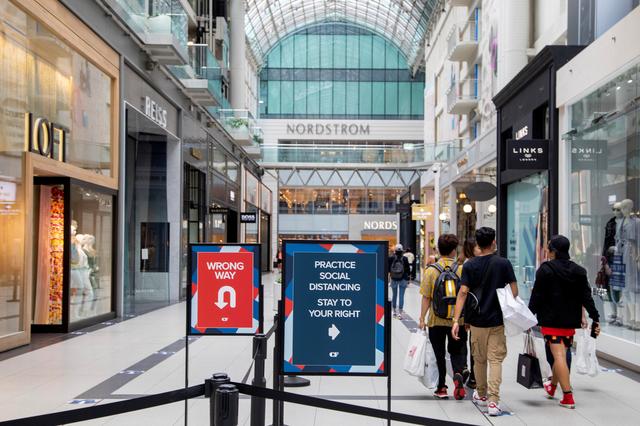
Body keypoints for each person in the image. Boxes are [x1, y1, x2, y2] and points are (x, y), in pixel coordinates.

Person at [528, 235, 601, 409]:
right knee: (560, 354)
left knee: (558, 356)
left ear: (553, 250)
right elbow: (586, 297)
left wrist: (528, 315)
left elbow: (537, 296)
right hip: (570, 321)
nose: (547, 250)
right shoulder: (579, 270)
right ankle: (552, 387)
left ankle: (568, 396)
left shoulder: (545, 270)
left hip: (551, 320)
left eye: (548, 247)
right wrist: (595, 317)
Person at [451, 227, 517, 417]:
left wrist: (456, 320)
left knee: (479, 359)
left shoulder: (470, 265)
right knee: (495, 359)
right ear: (493, 242)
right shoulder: (503, 263)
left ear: (478, 245)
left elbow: (463, 292)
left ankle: (480, 394)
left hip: (476, 321)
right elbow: (514, 291)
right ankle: (494, 402)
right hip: (497, 320)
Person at [418, 234, 467, 400]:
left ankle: (441, 387)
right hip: (457, 320)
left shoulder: (431, 270)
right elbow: (465, 293)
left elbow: (426, 297)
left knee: (439, 353)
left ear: (439, 249)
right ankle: (458, 373)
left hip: (436, 320)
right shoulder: (461, 269)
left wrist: (421, 318)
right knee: (457, 350)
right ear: (454, 250)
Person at [460, 238, 481, 389]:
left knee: (475, 345)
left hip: (475, 310)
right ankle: (474, 376)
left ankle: (475, 375)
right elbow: (465, 293)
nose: (480, 249)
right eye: (477, 247)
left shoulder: (473, 263)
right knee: (473, 345)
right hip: (473, 310)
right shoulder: (469, 265)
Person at [389, 244, 410, 319]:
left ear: (395, 251)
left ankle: (394, 311)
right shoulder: (405, 259)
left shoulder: (391, 258)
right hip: (403, 278)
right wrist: (408, 279)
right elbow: (407, 270)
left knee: (394, 295)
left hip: (394, 278)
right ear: (402, 250)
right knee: (401, 296)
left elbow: (388, 269)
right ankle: (400, 313)